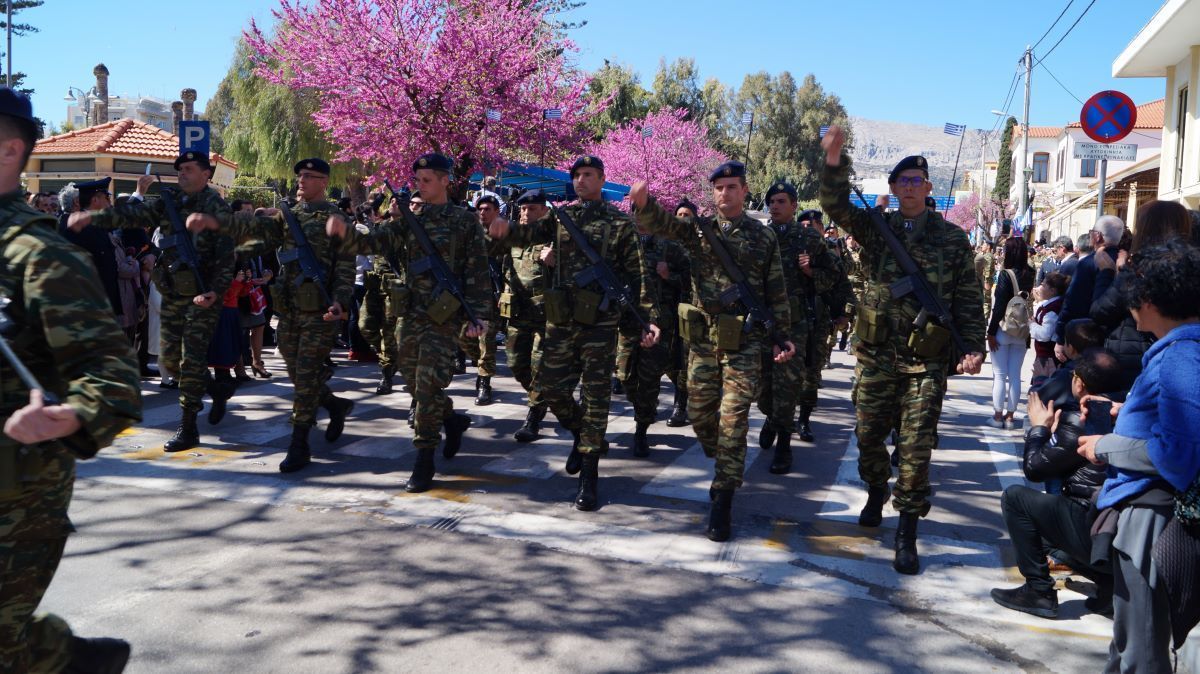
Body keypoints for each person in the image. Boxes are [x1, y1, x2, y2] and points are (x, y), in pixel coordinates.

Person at [0, 86, 142, 674]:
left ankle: (70, 660)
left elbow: (111, 376)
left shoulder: (40, 255)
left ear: (9, 151)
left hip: (16, 492)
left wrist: (71, 414)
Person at [818, 125, 986, 575]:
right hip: (876, 356)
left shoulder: (952, 240)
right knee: (869, 437)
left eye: (918, 182)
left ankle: (907, 530)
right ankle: (876, 488)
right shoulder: (877, 229)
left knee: (914, 450)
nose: (910, 188)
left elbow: (968, 297)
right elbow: (834, 206)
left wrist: (974, 346)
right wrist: (834, 162)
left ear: (928, 189)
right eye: (903, 182)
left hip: (925, 362)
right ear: (892, 189)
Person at [628, 160, 795, 542]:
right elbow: (664, 224)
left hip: (746, 343)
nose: (725, 193)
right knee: (702, 416)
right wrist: (644, 202)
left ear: (745, 190)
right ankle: (724, 460)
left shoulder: (763, 236)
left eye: (732, 187)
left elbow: (776, 291)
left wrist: (781, 336)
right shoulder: (696, 231)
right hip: (704, 341)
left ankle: (722, 495)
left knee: (733, 421)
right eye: (719, 188)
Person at [489, 155, 658, 511]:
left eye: (589, 175)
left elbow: (638, 274)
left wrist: (646, 318)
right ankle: (584, 433)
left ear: (601, 179)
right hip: (561, 320)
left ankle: (589, 475)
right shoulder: (561, 217)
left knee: (596, 398)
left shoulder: (619, 222)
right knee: (549, 387)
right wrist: (507, 231)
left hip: (599, 323)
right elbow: (530, 233)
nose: (582, 180)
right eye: (577, 175)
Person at [329, 153, 490, 492]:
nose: (420, 185)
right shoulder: (408, 220)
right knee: (414, 383)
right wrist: (345, 232)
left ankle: (424, 457)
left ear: (446, 181)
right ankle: (451, 419)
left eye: (427, 180)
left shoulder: (464, 221)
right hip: (411, 313)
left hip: (444, 316)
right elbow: (374, 242)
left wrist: (479, 316)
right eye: (417, 180)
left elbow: (476, 270)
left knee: (428, 385)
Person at [1078, 239, 1200, 672]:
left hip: (1153, 517)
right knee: (1131, 644)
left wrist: (1104, 445)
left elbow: (1178, 453)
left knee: (1141, 652)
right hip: (1154, 511)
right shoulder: (1181, 350)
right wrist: (1127, 411)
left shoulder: (1180, 355)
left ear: (1148, 299)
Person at [68, 150, 236, 453]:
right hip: (172, 291)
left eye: (188, 169)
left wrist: (215, 291)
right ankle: (216, 388)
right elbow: (133, 216)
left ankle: (188, 427)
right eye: (179, 169)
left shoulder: (216, 207)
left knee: (191, 358)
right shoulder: (171, 201)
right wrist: (94, 216)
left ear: (206, 174)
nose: (182, 174)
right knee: (170, 360)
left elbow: (227, 256)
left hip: (201, 295)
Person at [232, 158, 357, 472]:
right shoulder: (287, 216)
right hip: (288, 310)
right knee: (298, 373)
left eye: (308, 176)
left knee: (303, 379)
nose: (301, 180)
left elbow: (345, 268)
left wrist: (340, 303)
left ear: (324, 182)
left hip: (319, 311)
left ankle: (299, 443)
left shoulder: (336, 218)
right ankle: (333, 404)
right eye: (299, 175)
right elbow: (259, 241)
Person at [990, 348, 1124, 619]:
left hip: (1097, 530)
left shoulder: (1079, 420)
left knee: (1016, 499)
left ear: (1079, 383)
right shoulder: (1129, 412)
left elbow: (1035, 469)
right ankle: (1111, 586)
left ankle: (1039, 591)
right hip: (1123, 535)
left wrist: (1039, 429)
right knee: (1047, 530)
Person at [615, 198, 690, 457]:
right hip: (627, 323)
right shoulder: (622, 247)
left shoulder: (670, 248)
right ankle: (644, 410)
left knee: (649, 380)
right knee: (625, 376)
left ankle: (641, 429)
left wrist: (671, 275)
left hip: (659, 325)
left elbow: (694, 279)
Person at [1090, 200, 1192, 387]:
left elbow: (1100, 311)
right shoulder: (1190, 266)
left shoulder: (1140, 268)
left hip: (1133, 359)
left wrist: (1107, 272)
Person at [754, 186, 818, 473]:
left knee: (788, 387)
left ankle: (784, 446)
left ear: (794, 205)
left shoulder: (808, 238)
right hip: (761, 323)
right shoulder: (758, 237)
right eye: (771, 202)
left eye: (781, 202)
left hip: (794, 325)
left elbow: (834, 278)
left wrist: (811, 271)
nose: (775, 206)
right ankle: (771, 417)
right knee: (763, 387)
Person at [499, 189, 552, 442]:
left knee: (538, 365)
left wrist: (557, 260)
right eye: (522, 209)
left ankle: (534, 415)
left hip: (546, 315)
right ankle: (541, 396)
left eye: (531, 209)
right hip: (518, 313)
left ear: (544, 211)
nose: (525, 214)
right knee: (515, 363)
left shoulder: (556, 237)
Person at [1054, 215, 1124, 362]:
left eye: (1092, 232)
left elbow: (1073, 302)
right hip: (1118, 337)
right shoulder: (1125, 260)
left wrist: (1061, 338)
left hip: (1086, 336)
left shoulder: (1089, 263)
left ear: (1097, 236)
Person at [59, 177, 124, 320]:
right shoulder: (77, 227)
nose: (110, 202)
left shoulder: (96, 225)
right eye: (107, 197)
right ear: (95, 200)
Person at [987, 237, 1035, 429]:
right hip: (1022, 330)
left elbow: (998, 306)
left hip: (1003, 328)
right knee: (1015, 375)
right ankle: (1010, 417)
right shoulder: (1030, 272)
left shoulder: (1005, 274)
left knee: (999, 375)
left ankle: (997, 416)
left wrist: (990, 332)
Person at [466, 194, 504, 406]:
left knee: (486, 342)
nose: (483, 212)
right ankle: (478, 363)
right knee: (464, 339)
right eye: (480, 209)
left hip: (491, 298)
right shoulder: (470, 235)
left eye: (488, 209)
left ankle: (484, 383)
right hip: (469, 297)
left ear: (497, 211)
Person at [665, 199, 699, 428]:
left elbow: (695, 280)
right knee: (668, 359)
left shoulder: (701, 245)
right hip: (667, 309)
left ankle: (681, 404)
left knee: (686, 359)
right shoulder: (665, 243)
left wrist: (671, 277)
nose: (682, 217)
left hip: (690, 311)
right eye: (679, 213)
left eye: (687, 214)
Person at [1029, 272, 1069, 389]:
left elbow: (1045, 334)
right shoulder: (1048, 305)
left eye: (1043, 285)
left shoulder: (1053, 309)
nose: (1040, 288)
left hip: (1047, 358)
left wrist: (1032, 324)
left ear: (1052, 290)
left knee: (1042, 389)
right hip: (1043, 356)